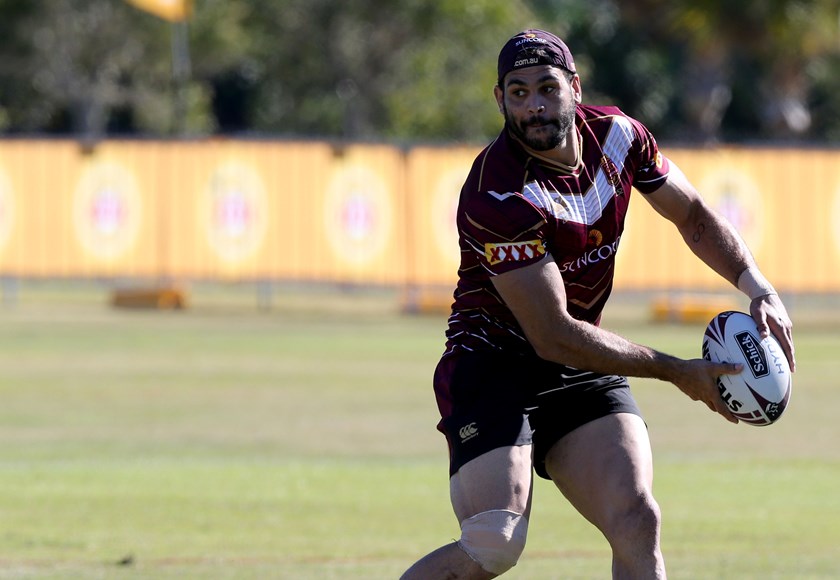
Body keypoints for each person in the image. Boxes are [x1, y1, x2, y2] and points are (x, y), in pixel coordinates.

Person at [400, 29, 796, 579]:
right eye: (517, 93)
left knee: (637, 517)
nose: (533, 106)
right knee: (494, 542)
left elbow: (695, 216)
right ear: (500, 100)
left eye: (546, 88)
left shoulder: (620, 136)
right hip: (492, 364)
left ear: (574, 87)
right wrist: (678, 371)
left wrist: (759, 288)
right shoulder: (499, 194)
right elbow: (552, 333)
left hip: (577, 363)